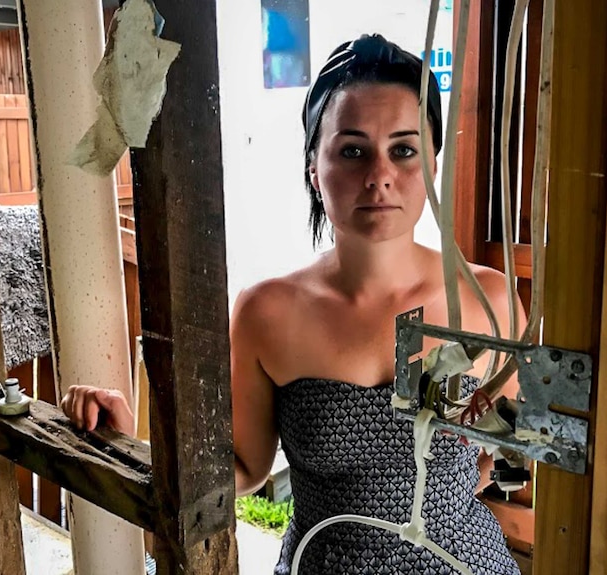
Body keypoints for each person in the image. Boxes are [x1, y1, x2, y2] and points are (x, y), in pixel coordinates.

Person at [61, 33, 523, 574]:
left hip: (465, 562)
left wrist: (458, 488)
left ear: (434, 165)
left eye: (405, 149)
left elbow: (514, 442)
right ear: (313, 167)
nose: (380, 175)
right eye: (352, 150)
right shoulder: (268, 313)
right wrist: (132, 438)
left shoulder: (488, 299)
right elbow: (243, 467)